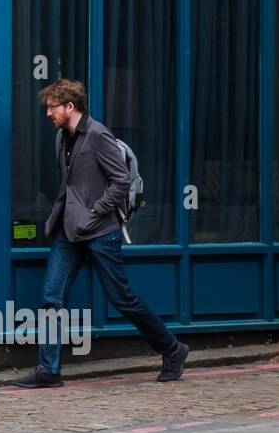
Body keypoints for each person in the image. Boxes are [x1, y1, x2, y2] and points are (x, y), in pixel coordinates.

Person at [15, 79, 189, 388]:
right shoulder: (62, 138)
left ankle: (173, 349)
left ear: (70, 107)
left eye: (52, 107)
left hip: (100, 232)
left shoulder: (98, 135)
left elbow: (121, 180)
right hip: (68, 232)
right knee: (51, 299)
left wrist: (95, 212)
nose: (48, 113)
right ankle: (48, 370)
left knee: (121, 298)